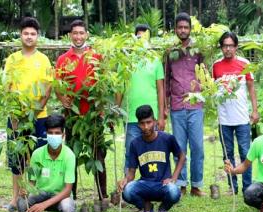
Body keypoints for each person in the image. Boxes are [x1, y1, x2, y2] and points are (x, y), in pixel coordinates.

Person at [55, 19, 108, 201]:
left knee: (98, 154)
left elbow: (103, 84)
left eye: (81, 33)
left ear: (87, 35)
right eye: (75, 33)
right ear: (70, 35)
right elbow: (57, 84)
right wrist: (62, 99)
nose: (78, 36)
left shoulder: (96, 57)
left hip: (93, 115)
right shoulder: (63, 59)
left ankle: (103, 195)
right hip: (73, 117)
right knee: (72, 156)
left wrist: (101, 106)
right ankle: (72, 195)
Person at [3, 17, 52, 212]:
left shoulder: (44, 59)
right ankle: (15, 199)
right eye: (26, 33)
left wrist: (36, 111)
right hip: (16, 118)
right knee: (17, 160)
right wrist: (15, 115)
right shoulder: (12, 60)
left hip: (40, 117)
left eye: (33, 34)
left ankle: (36, 194)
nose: (29, 37)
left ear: (38, 36)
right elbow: (7, 88)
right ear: (20, 35)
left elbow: (48, 88)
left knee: (38, 156)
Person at [117, 105, 185, 212]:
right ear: (138, 124)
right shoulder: (135, 144)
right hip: (145, 184)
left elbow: (181, 156)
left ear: (154, 121)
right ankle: (147, 207)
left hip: (163, 185)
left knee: (174, 192)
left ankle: (163, 209)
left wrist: (173, 178)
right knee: (127, 191)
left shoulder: (167, 138)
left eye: (149, 122)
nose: (146, 127)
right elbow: (132, 172)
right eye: (142, 123)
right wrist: (125, 180)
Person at [212, 31, 259, 195]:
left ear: (236, 47)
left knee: (246, 153)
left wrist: (255, 110)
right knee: (227, 154)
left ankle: (247, 187)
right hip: (224, 119)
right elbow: (212, 89)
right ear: (221, 47)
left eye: (231, 46)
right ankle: (233, 187)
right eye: (225, 46)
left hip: (242, 118)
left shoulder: (245, 64)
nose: (228, 49)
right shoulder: (216, 66)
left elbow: (252, 88)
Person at [164, 12, 205, 196]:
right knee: (179, 147)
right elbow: (166, 80)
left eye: (186, 27)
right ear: (175, 29)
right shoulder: (169, 52)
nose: (183, 30)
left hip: (195, 106)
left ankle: (196, 185)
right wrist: (165, 106)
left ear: (190, 29)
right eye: (179, 27)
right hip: (177, 106)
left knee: (197, 146)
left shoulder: (198, 50)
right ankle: (181, 183)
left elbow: (204, 74)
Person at [115, 24, 165, 170]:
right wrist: (115, 112)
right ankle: (127, 186)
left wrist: (160, 116)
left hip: (152, 117)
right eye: (138, 37)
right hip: (131, 118)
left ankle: (155, 183)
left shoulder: (155, 60)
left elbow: (160, 90)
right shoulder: (126, 61)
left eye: (145, 37)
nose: (141, 40)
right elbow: (119, 90)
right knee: (130, 153)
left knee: (155, 153)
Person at [17, 114, 76, 212]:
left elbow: (67, 190)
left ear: (63, 135)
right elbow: (31, 183)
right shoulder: (37, 154)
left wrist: (44, 205)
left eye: (57, 133)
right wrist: (25, 190)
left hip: (60, 196)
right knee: (22, 203)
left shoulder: (69, 156)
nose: (54, 136)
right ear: (46, 135)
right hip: (42, 193)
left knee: (68, 208)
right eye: (51, 133)